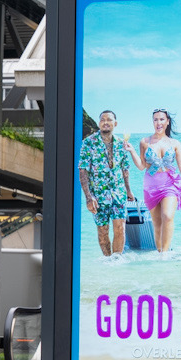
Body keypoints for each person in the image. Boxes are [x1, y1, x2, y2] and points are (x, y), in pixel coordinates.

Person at [79, 109, 138, 258]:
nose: (105, 122)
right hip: (98, 196)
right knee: (103, 231)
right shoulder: (88, 143)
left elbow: (125, 169)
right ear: (99, 123)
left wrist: (128, 190)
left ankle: (116, 261)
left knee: (120, 228)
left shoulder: (121, 144)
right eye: (102, 120)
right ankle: (107, 260)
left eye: (109, 120)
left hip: (118, 193)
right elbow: (83, 170)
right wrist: (88, 197)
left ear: (115, 123)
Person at [139, 110, 181, 255]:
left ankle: (165, 253)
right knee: (157, 224)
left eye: (161, 119)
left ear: (167, 121)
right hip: (150, 186)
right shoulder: (144, 142)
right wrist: (131, 151)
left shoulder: (175, 143)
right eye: (155, 120)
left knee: (167, 216)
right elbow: (142, 165)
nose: (158, 123)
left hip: (170, 184)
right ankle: (160, 252)